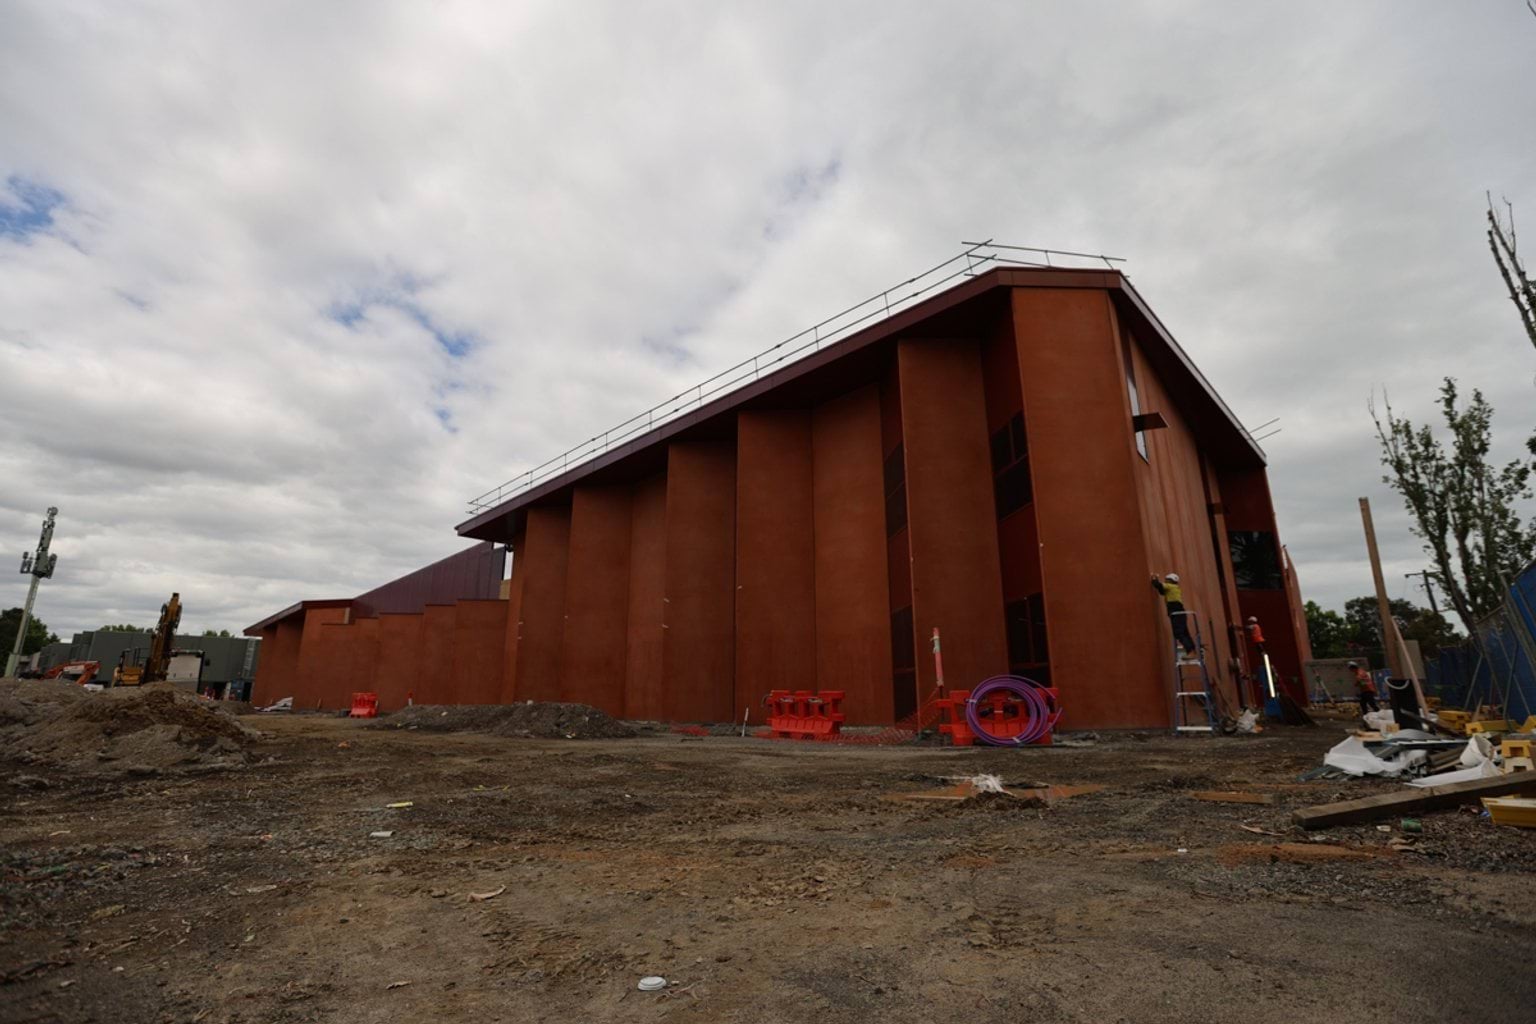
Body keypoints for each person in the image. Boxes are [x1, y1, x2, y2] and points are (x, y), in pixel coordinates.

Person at [1151, 572, 1198, 658]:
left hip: (1176, 612)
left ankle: (1190, 651)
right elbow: (1162, 592)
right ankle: (1193, 649)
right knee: (1185, 632)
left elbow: (1159, 586)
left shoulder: (1170, 586)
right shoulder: (1175, 588)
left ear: (1170, 581)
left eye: (1167, 580)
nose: (1165, 581)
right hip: (1181, 612)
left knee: (1178, 633)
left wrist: (1154, 579)